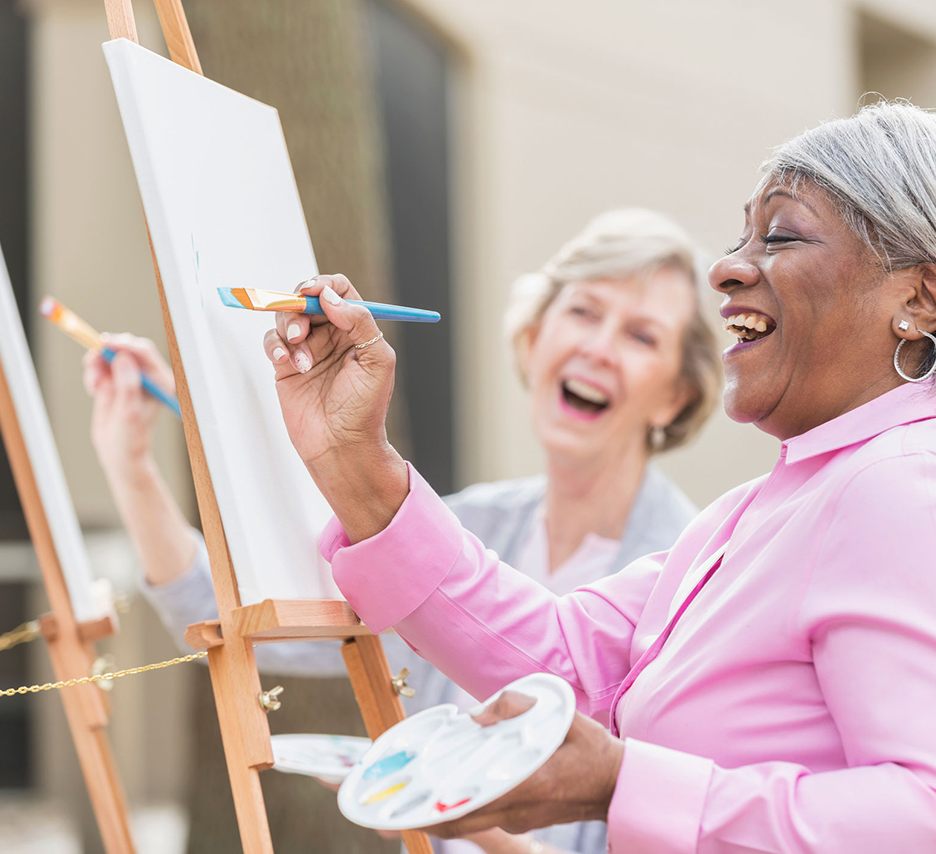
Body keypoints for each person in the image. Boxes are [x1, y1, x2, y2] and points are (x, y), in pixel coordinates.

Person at [262, 101, 936, 853]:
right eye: (744, 233)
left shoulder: (911, 486)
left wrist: (622, 784)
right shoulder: (762, 508)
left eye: (779, 235)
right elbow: (569, 663)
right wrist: (355, 461)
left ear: (917, 300)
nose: (727, 266)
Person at [84, 209, 721, 854]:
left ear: (677, 396)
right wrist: (132, 466)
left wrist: (446, 804)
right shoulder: (457, 530)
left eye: (641, 336)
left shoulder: (689, 583)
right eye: (583, 312)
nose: (599, 348)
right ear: (534, 337)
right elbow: (236, 618)